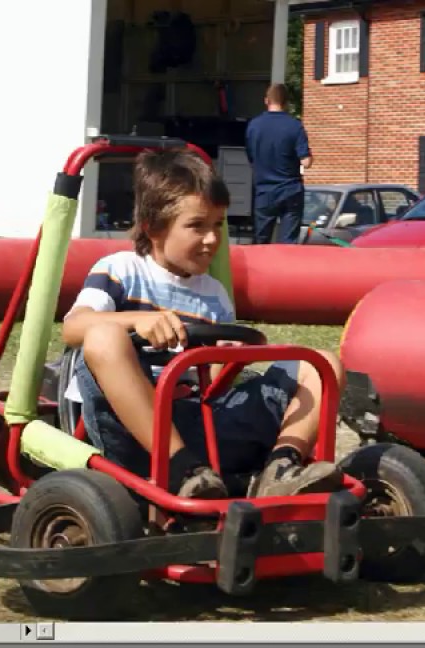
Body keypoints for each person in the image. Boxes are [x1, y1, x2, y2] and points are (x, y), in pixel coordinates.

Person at [60, 148, 346, 501]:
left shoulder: (215, 294)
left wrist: (228, 359)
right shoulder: (121, 270)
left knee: (321, 363)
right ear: (153, 228)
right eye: (197, 226)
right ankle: (182, 469)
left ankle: (281, 467)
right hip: (135, 428)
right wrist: (138, 320)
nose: (212, 239)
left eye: (218, 225)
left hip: (204, 423)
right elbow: (74, 327)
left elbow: (218, 380)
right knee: (102, 336)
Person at [245, 83, 312, 244]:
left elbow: (251, 158)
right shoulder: (295, 126)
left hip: (264, 191)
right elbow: (306, 162)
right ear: (286, 103)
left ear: (266, 100)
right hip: (290, 190)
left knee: (261, 240)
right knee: (288, 242)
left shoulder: (254, 126)